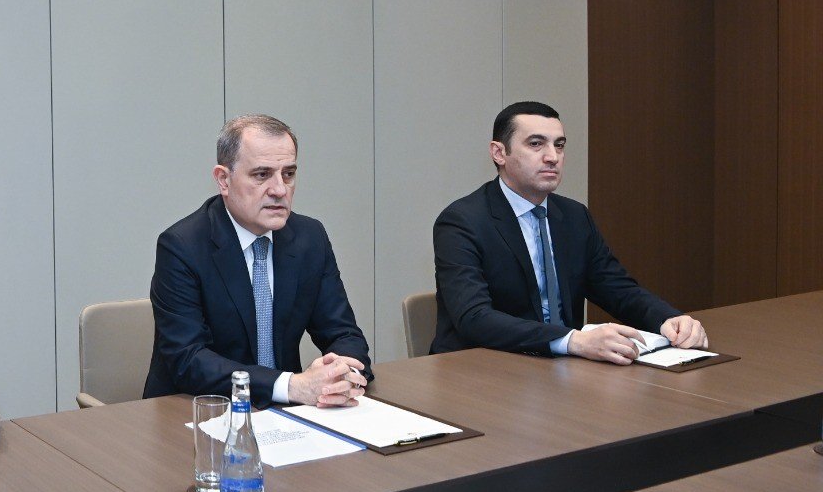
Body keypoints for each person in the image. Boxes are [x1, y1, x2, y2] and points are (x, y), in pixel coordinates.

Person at [431, 101, 708, 360]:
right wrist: (571, 340)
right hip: (483, 367)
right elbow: (474, 317)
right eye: (536, 144)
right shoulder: (462, 222)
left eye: (559, 145)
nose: (552, 157)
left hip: (562, 369)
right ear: (499, 153)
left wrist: (667, 319)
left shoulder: (574, 216)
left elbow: (617, 289)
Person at [144, 114, 372, 407]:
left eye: (288, 174)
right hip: (196, 410)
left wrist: (342, 374)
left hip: (287, 412)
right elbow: (188, 359)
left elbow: (343, 332)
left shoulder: (309, 237)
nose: (280, 190)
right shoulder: (182, 246)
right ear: (224, 180)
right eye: (262, 175)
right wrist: (291, 386)